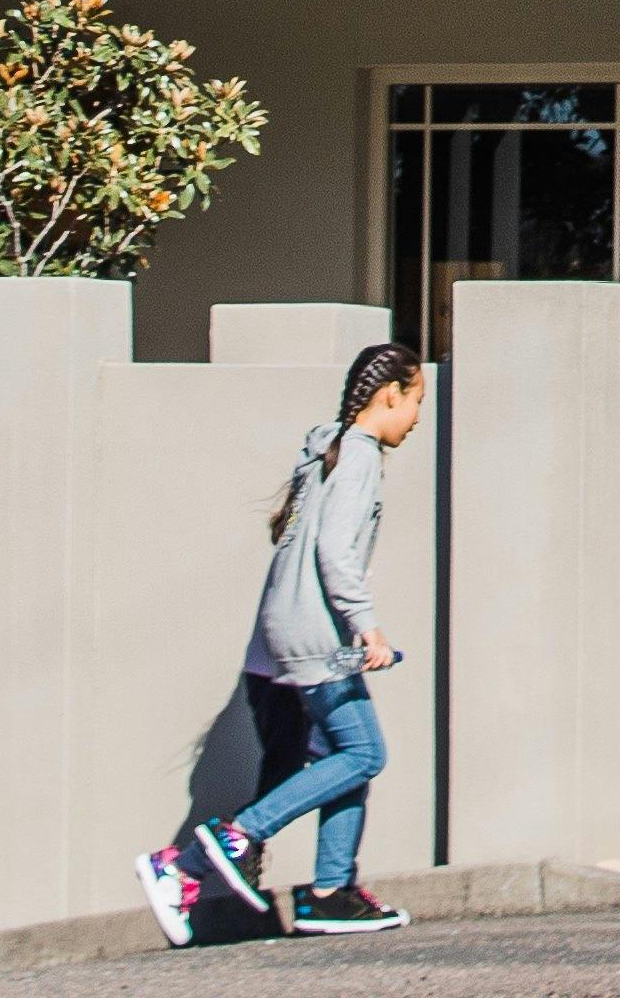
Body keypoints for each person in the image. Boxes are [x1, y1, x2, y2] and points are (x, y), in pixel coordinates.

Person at [139, 340, 426, 946]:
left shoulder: (327, 450)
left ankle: (331, 893)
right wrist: (368, 626)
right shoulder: (359, 456)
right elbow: (334, 553)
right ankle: (220, 847)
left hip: (283, 635)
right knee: (365, 753)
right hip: (314, 636)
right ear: (389, 395)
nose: (418, 417)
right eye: (416, 401)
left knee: (342, 758)